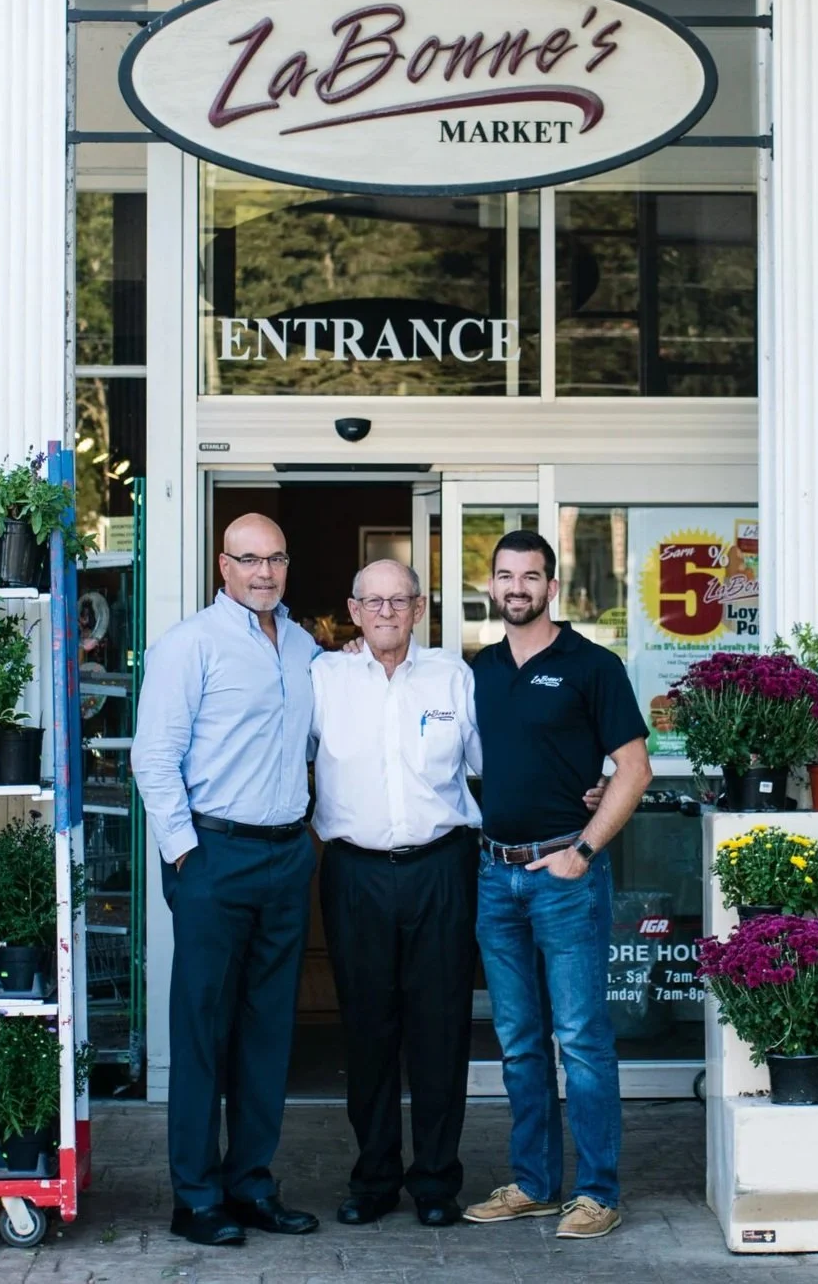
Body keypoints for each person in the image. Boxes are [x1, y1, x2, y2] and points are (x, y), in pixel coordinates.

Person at [130, 513, 321, 1248]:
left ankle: (250, 1185)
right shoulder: (190, 645)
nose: (264, 572)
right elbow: (155, 757)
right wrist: (186, 855)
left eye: (275, 558)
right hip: (214, 854)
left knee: (268, 1031)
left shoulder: (304, 646)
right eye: (249, 559)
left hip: (284, 856)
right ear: (223, 564)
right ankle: (196, 1197)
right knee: (203, 1031)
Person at [461, 529, 652, 1242]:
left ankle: (598, 1189)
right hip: (495, 873)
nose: (517, 587)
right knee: (517, 1041)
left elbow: (633, 769)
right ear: (492, 584)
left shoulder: (592, 665)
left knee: (580, 1037)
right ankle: (537, 1183)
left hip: (564, 876)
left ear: (551, 586)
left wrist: (583, 848)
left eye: (530, 575)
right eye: (506, 575)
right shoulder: (478, 669)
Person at [310, 558, 481, 1229]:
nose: (385, 611)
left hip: (442, 867)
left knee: (440, 1030)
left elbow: (490, 762)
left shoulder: (452, 676)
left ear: (418, 607)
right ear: (353, 611)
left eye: (398, 599)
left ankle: (437, 1181)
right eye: (372, 601)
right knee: (367, 1030)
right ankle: (375, 1176)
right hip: (355, 872)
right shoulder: (322, 677)